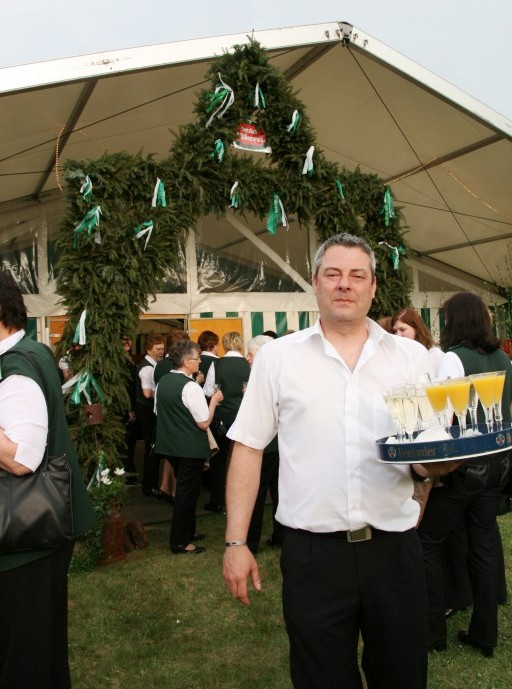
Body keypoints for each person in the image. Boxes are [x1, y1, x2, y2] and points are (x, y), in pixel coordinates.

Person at [223, 232, 433, 689]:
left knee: (403, 676)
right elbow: (248, 448)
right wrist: (236, 542)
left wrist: (438, 468)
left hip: (393, 550)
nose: (344, 284)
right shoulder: (278, 358)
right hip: (313, 556)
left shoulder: (411, 358)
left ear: (373, 287)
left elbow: (423, 453)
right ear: (315, 283)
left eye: (357, 275)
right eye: (333, 274)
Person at [0, 271, 94, 689]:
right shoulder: (32, 351)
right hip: (33, 532)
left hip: (25, 535)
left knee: (24, 658)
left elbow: (22, 457)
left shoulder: (16, 368)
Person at [417, 291, 512, 657]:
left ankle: (432, 634)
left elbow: (443, 417)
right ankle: (485, 634)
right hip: (499, 462)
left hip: (465, 465)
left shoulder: (453, 359)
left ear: (454, 321)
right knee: (484, 542)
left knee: (427, 540)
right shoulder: (503, 357)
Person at [154, 339, 223, 554]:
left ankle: (188, 532)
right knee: (186, 494)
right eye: (197, 358)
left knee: (189, 492)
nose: (200, 361)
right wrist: (214, 401)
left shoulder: (163, 382)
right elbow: (203, 422)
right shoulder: (191, 387)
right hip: (189, 448)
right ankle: (180, 541)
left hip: (171, 446)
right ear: (185, 361)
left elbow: (158, 411)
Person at [203, 331, 251, 513]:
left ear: (224, 344)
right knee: (243, 459)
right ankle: (242, 500)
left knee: (219, 460)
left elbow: (208, 391)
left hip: (221, 418)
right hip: (243, 417)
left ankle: (217, 501)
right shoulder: (248, 364)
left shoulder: (217, 364)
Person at [244, 335, 284, 553]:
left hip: (266, 445)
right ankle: (280, 536)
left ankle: (251, 542)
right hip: (278, 444)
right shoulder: (283, 372)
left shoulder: (265, 375)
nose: (248, 359)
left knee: (258, 494)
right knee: (279, 492)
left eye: (250, 354)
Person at [136, 333, 165, 497]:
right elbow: (147, 393)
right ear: (148, 349)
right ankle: (149, 484)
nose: (161, 352)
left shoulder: (154, 365)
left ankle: (151, 483)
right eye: (158, 349)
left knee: (152, 447)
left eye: (162, 349)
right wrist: (165, 394)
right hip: (147, 411)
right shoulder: (147, 368)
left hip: (148, 410)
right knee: (151, 447)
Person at [391, 307, 445, 375]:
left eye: (402, 329)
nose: (397, 335)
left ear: (416, 329)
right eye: (395, 331)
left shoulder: (435, 356)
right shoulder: (397, 358)